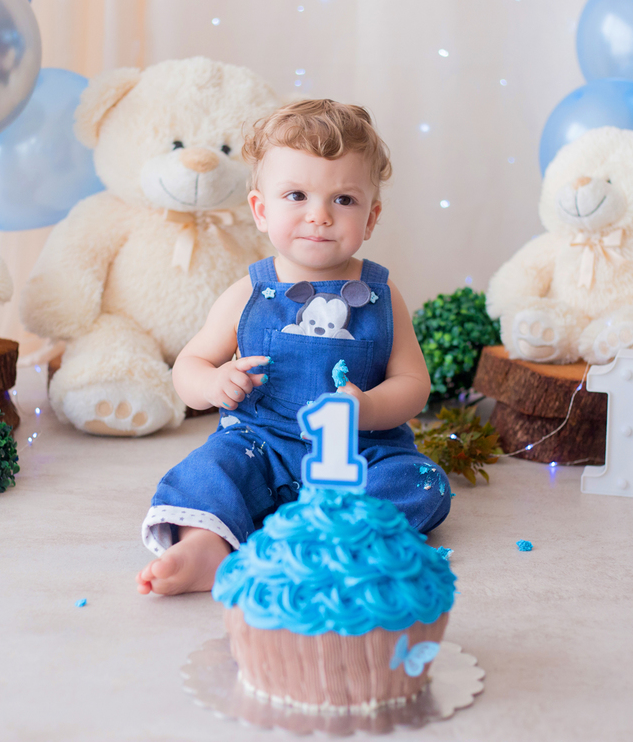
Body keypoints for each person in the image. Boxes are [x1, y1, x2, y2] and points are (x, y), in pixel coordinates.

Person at [136, 99, 451, 595]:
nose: (319, 216)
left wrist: (368, 407)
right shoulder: (248, 292)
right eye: (297, 195)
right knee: (210, 468)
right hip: (260, 444)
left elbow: (414, 384)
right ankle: (205, 547)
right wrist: (213, 382)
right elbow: (188, 368)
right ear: (261, 210)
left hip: (362, 453)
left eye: (344, 200)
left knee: (422, 483)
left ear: (371, 218)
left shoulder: (383, 295)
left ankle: (331, 543)